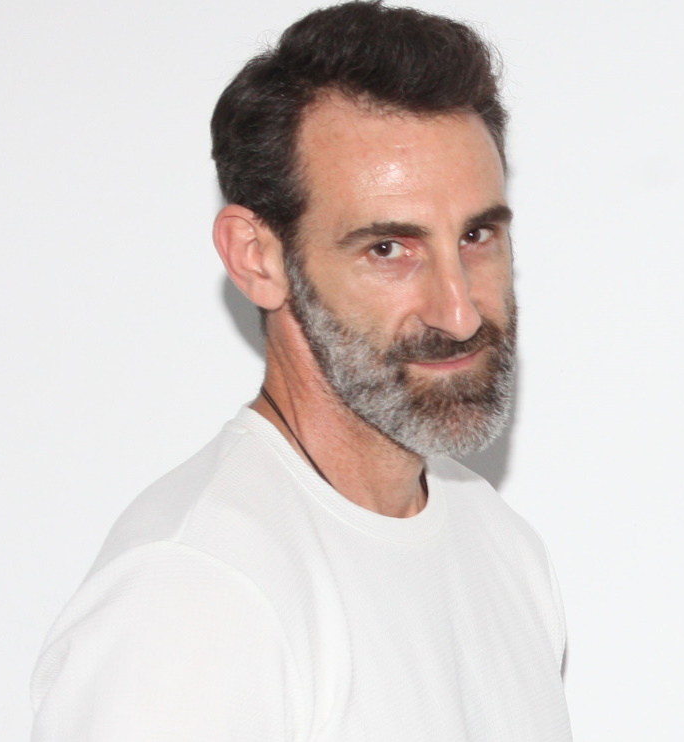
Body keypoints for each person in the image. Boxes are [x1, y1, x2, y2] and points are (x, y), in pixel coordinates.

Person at [29, 2, 572, 739]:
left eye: (477, 236)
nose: (460, 311)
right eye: (388, 249)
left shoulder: (505, 550)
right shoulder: (197, 593)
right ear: (257, 258)